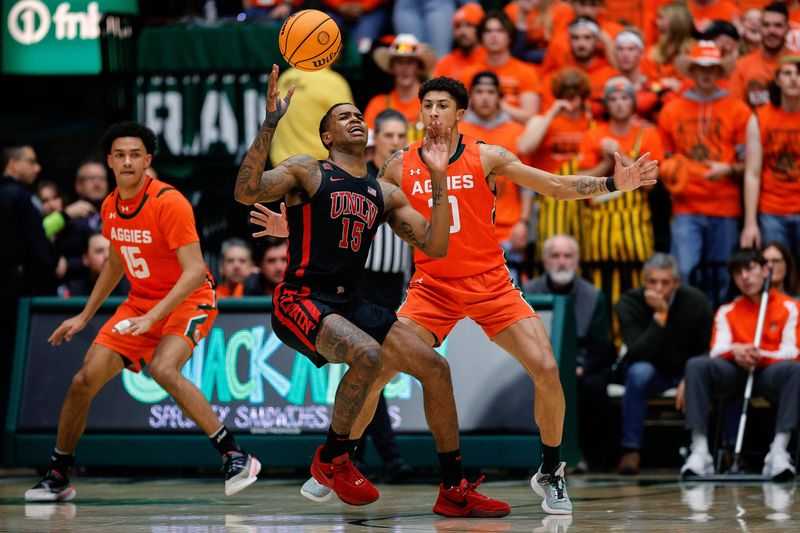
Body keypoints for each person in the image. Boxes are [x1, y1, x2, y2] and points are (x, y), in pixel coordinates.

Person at [261, 75, 657, 514]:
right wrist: (298, 229)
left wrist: (613, 184)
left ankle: (550, 471)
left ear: (460, 114)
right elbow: (357, 206)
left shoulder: (486, 155)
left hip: (490, 284)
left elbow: (552, 185)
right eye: (426, 104)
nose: (433, 113)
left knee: (547, 368)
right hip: (432, 289)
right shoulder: (397, 163)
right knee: (376, 370)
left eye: (442, 106)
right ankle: (338, 462)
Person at [236, 64, 510, 517]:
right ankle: (333, 458)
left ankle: (453, 487)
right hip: (299, 298)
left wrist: (439, 179)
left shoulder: (383, 193)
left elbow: (436, 244)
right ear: (326, 136)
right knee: (368, 356)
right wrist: (270, 124)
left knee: (435, 369)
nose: (355, 119)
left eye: (357, 114)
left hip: (349, 302)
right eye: (342, 116)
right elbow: (247, 191)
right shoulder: (307, 170)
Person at [24, 121, 260, 502]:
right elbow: (116, 261)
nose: (128, 162)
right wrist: (85, 315)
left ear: (147, 160)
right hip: (140, 303)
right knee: (83, 380)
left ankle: (236, 455)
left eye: (136, 155)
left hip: (189, 298)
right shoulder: (110, 206)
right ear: (110, 162)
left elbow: (196, 270)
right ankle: (57, 475)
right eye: (120, 155)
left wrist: (154, 317)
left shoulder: (169, 202)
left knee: (163, 369)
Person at [680, 248, 800, 480]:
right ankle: (700, 450)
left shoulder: (790, 307)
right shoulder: (728, 310)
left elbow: (792, 350)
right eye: (738, 273)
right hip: (735, 373)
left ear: (765, 270)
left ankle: (779, 450)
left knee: (796, 369)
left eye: (750, 269)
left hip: (770, 373)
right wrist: (736, 351)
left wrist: (760, 354)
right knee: (696, 365)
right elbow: (717, 349)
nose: (745, 277)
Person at [658, 41, 752, 308]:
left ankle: (718, 334)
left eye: (713, 68)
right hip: (686, 207)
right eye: (700, 68)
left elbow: (750, 163)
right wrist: (673, 172)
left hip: (725, 206)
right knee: (683, 273)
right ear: (692, 71)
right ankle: (686, 333)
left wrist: (729, 169)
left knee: (722, 276)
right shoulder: (671, 110)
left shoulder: (738, 110)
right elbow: (664, 159)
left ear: (721, 71)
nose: (706, 74)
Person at [351, 109, 414, 483]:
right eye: (389, 135)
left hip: (396, 288)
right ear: (375, 142)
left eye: (400, 135)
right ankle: (385, 456)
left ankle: (353, 452)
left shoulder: (412, 185)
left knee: (376, 372)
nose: (395, 141)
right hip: (362, 284)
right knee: (369, 368)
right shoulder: (362, 181)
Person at [615, 253, 712, 475]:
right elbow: (639, 351)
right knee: (639, 372)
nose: (658, 289)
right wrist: (660, 316)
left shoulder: (696, 302)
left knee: (702, 371)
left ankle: (711, 449)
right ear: (643, 281)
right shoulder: (628, 302)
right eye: (652, 282)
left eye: (665, 282)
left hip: (685, 370)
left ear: (676, 283)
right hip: (649, 369)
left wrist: (690, 377)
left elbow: (707, 349)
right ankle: (631, 449)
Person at [524, 234, 615, 471]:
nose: (561, 262)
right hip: (536, 365)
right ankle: (531, 457)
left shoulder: (593, 295)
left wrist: (579, 369)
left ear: (576, 261)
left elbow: (601, 346)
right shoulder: (526, 292)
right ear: (545, 261)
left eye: (568, 256)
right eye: (555, 256)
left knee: (594, 386)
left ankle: (590, 458)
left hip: (580, 368)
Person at [578, 76, 663, 320]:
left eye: (624, 97)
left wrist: (620, 155)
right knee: (600, 284)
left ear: (633, 102)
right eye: (612, 99)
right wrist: (605, 162)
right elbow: (579, 179)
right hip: (600, 222)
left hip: (634, 222)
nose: (618, 103)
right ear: (605, 104)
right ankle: (605, 341)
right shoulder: (593, 135)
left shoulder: (647, 134)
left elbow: (651, 181)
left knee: (639, 281)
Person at [1, 144, 56, 458]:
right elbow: (39, 253)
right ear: (13, 163)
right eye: (32, 162)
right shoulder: (22, 198)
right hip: (16, 295)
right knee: (18, 367)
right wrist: (49, 276)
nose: (37, 169)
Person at [458, 71, 532, 283]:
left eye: (491, 92)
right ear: (471, 97)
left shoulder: (516, 131)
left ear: (500, 97)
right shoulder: (458, 130)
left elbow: (526, 182)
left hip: (510, 232)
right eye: (479, 92)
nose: (485, 97)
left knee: (511, 298)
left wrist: (524, 222)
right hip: (470, 231)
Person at [518, 68, 594, 259]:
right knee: (551, 253)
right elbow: (525, 147)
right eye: (565, 94)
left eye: (575, 94)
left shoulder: (591, 123)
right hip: (551, 200)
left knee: (581, 256)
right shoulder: (541, 121)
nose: (570, 99)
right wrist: (552, 112)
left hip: (584, 199)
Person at [740, 55, 800, 257]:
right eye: (787, 73)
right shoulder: (760, 117)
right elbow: (752, 173)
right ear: (777, 80)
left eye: (799, 74)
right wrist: (750, 223)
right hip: (772, 210)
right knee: (773, 273)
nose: (794, 79)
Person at [459, 11, 543, 123]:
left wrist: (496, 103)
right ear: (481, 37)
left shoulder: (526, 72)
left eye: (500, 31)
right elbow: (461, 116)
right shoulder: (469, 73)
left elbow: (531, 118)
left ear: (510, 36)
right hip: (476, 133)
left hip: (513, 135)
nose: (494, 36)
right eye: (488, 31)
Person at [269, 66, 354, 167]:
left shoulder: (285, 77)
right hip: (319, 170)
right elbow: (349, 129)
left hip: (281, 167)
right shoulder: (333, 82)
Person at [365, 34, 436, 144]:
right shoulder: (378, 105)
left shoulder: (433, 104)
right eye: (399, 62)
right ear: (392, 67)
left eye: (410, 62)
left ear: (419, 67)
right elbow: (368, 148)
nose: (404, 68)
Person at [729, 3, 791, 108]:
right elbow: (735, 109)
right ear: (760, 28)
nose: (772, 31)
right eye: (766, 25)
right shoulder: (742, 65)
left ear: (787, 28)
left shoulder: (796, 62)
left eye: (778, 25)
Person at [59, 232, 129, 298]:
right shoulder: (75, 293)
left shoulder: (133, 289)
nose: (107, 256)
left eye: (111, 250)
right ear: (86, 258)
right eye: (99, 251)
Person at [432, 3, 487, 81]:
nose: (462, 31)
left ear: (480, 29)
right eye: (458, 26)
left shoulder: (491, 59)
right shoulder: (445, 63)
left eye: (469, 25)